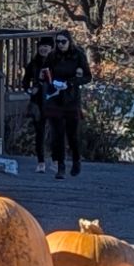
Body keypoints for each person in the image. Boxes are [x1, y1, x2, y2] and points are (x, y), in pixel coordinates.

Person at [41, 29, 93, 179]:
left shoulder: (78, 55)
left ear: (69, 41)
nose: (60, 44)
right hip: (55, 98)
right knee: (57, 134)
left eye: (63, 41)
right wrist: (48, 80)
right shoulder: (52, 56)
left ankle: (76, 160)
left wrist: (71, 83)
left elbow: (87, 77)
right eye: (58, 42)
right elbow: (45, 73)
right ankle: (61, 166)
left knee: (72, 134)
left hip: (71, 98)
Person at [20, 35, 57, 175]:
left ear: (51, 48)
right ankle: (41, 162)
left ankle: (55, 161)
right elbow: (25, 81)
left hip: (54, 101)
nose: (43, 49)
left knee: (55, 132)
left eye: (46, 46)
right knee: (39, 133)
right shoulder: (34, 63)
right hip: (38, 102)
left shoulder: (58, 63)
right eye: (41, 46)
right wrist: (30, 90)